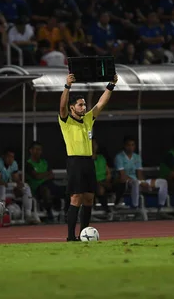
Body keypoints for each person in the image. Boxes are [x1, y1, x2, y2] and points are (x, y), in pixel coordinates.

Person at [59, 72, 118, 242]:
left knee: (89, 198)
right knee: (76, 197)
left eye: (84, 104)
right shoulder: (66, 120)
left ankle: (84, 233)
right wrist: (67, 86)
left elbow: (101, 102)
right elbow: (62, 107)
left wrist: (111, 85)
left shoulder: (88, 119)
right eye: (80, 105)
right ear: (72, 108)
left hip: (88, 161)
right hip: (75, 162)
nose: (83, 107)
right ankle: (70, 236)